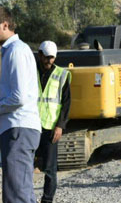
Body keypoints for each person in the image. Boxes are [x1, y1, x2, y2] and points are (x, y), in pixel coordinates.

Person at [0, 7, 42, 203]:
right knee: (19, 192)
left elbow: (18, 97)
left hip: (18, 128)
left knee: (17, 195)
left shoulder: (16, 51)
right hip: (18, 128)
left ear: (5, 25)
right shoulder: (11, 51)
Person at [36, 40, 71, 203]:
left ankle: (47, 200)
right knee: (25, 166)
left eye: (52, 58)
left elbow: (66, 103)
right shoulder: (31, 71)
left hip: (51, 128)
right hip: (32, 126)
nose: (49, 61)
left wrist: (60, 126)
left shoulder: (62, 74)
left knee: (50, 169)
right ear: (40, 54)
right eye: (47, 57)